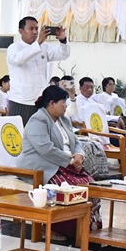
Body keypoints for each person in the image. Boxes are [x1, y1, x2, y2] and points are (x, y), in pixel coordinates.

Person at [19, 85, 101, 237]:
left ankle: (85, 227)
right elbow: (46, 149)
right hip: (44, 165)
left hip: (65, 164)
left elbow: (75, 141)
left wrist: (79, 155)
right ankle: (58, 228)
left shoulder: (64, 119)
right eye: (63, 102)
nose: (66, 106)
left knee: (91, 186)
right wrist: (70, 161)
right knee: (72, 189)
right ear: (52, 103)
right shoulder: (38, 120)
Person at [6, 16, 70, 123]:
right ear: (21, 31)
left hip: (40, 100)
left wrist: (63, 40)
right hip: (21, 101)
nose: (35, 32)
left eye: (36, 28)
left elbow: (63, 55)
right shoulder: (14, 47)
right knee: (20, 132)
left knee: (39, 131)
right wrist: (38, 43)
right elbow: (19, 59)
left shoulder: (44, 47)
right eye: (31, 29)